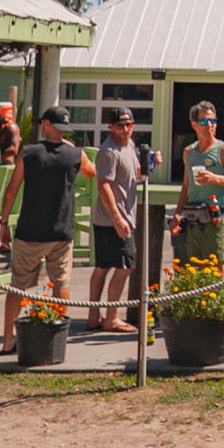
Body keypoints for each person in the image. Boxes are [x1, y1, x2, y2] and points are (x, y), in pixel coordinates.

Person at [0, 106, 93, 354]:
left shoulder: (28, 153)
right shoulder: (75, 155)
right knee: (60, 283)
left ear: (45, 125)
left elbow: (12, 189)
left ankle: (8, 340)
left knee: (17, 285)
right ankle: (55, 334)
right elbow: (92, 173)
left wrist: (4, 222)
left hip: (30, 230)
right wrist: (71, 148)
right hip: (61, 231)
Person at [86, 107, 140, 333]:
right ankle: (112, 317)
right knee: (125, 265)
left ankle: (93, 316)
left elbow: (137, 174)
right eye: (120, 125)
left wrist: (152, 161)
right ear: (111, 127)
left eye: (128, 124)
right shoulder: (109, 151)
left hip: (119, 217)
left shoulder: (130, 146)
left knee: (104, 265)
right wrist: (118, 218)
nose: (125, 129)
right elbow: (103, 185)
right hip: (113, 219)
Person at [172, 101, 224, 266]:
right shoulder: (189, 151)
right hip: (193, 215)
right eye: (204, 121)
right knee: (194, 266)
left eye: (213, 121)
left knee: (217, 266)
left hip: (214, 215)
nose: (209, 125)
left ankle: (219, 293)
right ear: (194, 125)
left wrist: (215, 178)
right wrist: (176, 213)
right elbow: (186, 185)